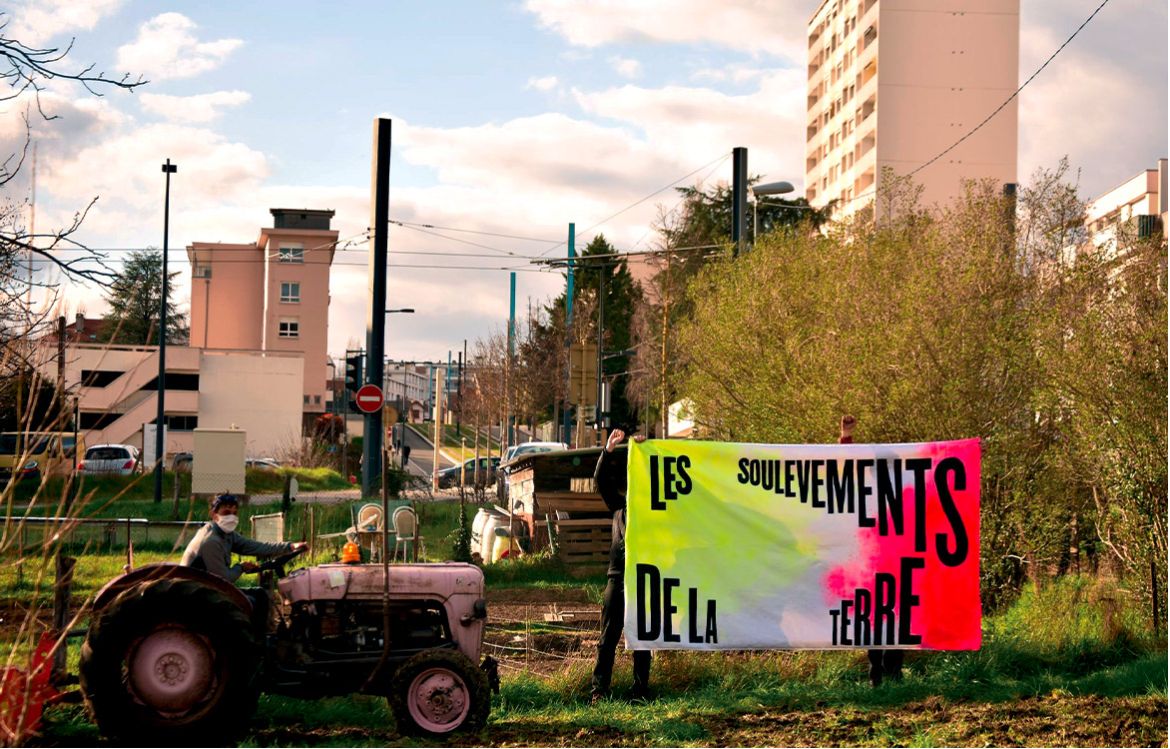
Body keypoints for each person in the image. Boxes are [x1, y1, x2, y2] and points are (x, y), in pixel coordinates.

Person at [839, 415, 905, 686]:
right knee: (879, 616)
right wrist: (845, 436)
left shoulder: (906, 490)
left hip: (898, 560)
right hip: (872, 561)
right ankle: (878, 673)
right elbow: (841, 469)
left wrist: (971, 454)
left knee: (898, 614)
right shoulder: (865, 490)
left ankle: (892, 673)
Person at [591, 427, 652, 703]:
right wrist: (608, 450)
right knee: (608, 638)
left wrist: (648, 449)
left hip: (642, 579)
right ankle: (599, 691)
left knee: (641, 638)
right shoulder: (618, 506)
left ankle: (640, 691)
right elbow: (600, 480)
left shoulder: (653, 511)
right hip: (617, 579)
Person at [181, 493, 307, 627]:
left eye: (235, 513)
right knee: (250, 601)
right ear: (213, 514)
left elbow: (256, 547)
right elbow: (223, 580)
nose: (231, 517)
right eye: (226, 512)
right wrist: (240, 567)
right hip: (200, 594)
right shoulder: (211, 541)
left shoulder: (226, 534)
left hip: (211, 587)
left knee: (261, 594)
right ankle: (252, 641)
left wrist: (290, 546)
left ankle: (262, 638)